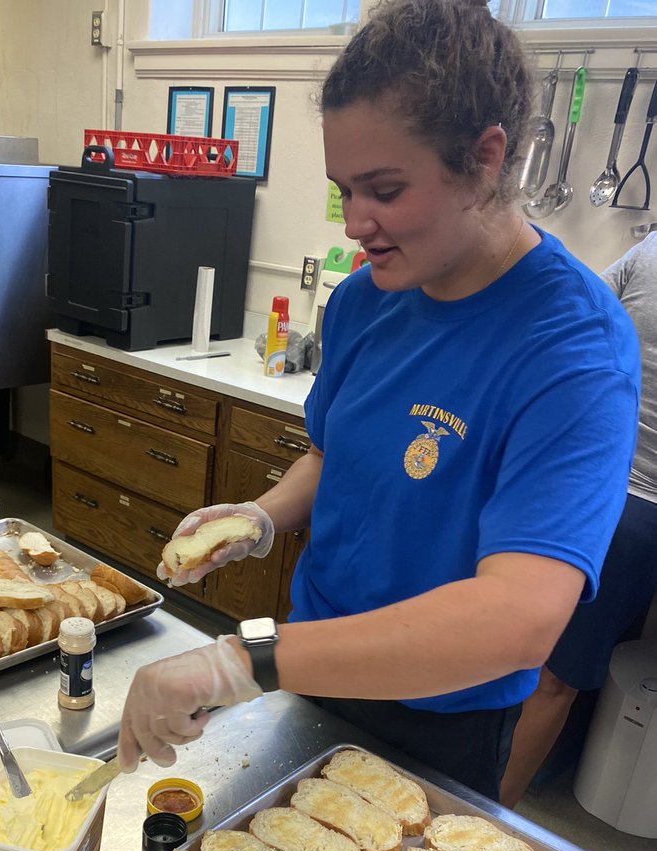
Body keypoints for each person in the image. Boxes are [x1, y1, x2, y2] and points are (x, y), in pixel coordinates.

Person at [117, 0, 640, 800]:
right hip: (313, 667)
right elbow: (334, 456)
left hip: (436, 719)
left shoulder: (572, 350)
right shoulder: (366, 298)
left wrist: (243, 659)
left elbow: (519, 620)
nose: (357, 222)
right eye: (343, 189)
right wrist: (260, 516)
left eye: (385, 190)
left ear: (484, 157)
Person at [499, 232, 657, 809]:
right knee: (552, 672)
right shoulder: (648, 251)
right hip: (611, 494)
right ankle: (492, 805)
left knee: (549, 674)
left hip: (607, 493)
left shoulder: (647, 251)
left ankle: (491, 810)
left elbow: (575, 306)